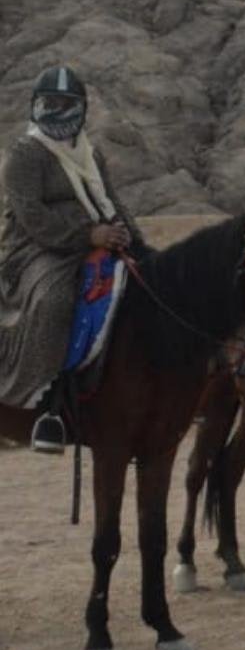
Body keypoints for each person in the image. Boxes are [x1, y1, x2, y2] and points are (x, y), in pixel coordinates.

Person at [0, 65, 146, 453]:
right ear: (36, 106)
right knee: (55, 301)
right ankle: (47, 406)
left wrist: (137, 242)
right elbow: (31, 216)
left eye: (64, 103)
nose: (56, 110)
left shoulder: (90, 152)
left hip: (95, 242)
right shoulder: (25, 154)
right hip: (37, 251)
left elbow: (110, 201)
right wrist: (88, 235)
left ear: (80, 109)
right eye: (49, 103)